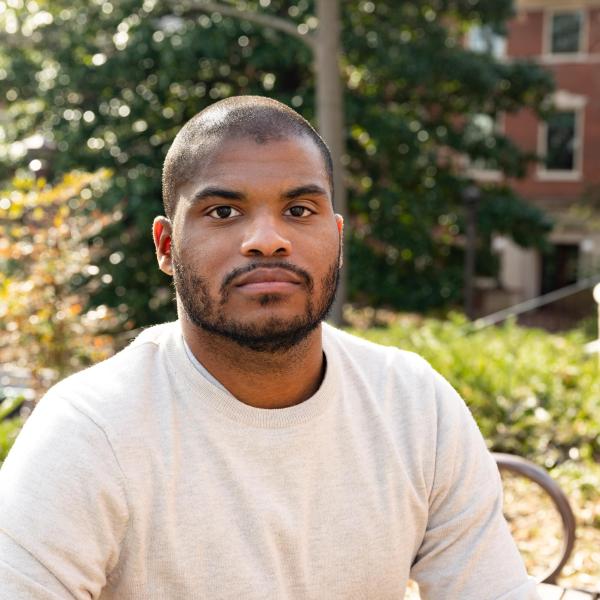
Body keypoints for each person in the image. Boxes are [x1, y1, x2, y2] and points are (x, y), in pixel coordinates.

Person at [0, 96, 539, 599]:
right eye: (223, 212)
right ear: (167, 247)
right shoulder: (91, 430)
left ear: (337, 236)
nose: (267, 238)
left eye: (300, 210)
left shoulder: (414, 405)